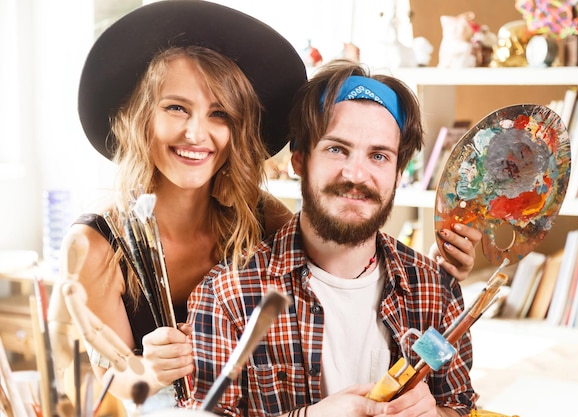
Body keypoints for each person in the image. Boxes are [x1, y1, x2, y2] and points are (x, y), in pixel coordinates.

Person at [48, 0, 307, 410]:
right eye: (176, 108)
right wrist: (149, 369)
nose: (195, 133)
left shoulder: (264, 220)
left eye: (219, 113)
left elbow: (337, 273)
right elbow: (106, 389)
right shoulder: (96, 247)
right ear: (140, 117)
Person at [188, 59, 479, 416]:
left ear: (397, 174)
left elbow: (460, 406)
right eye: (336, 149)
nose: (357, 174)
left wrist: (435, 414)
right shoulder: (228, 297)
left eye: (378, 156)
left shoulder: (436, 292)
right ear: (299, 160)